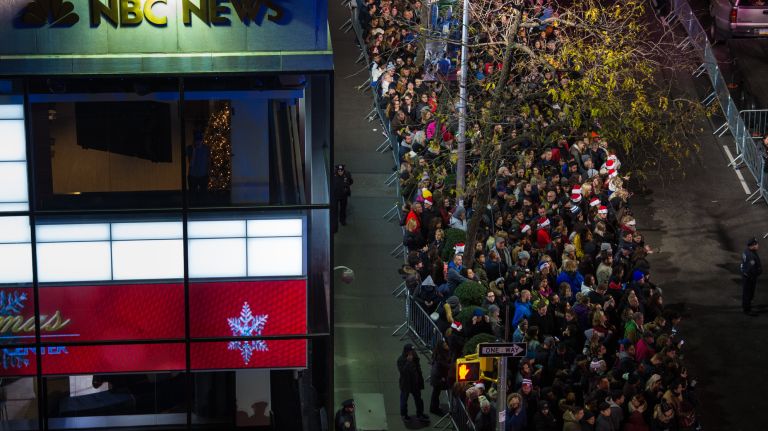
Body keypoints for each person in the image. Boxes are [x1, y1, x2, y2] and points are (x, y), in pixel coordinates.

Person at [397, 344, 429, 423]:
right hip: (406, 384)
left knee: (419, 400)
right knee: (404, 401)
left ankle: (420, 414)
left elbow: (418, 368)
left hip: (415, 383)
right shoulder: (401, 359)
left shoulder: (415, 357)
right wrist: (408, 362)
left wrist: (420, 379)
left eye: (413, 350)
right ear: (406, 351)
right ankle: (404, 415)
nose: (413, 352)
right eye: (411, 350)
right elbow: (403, 372)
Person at [740, 237, 761, 315]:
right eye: (756, 244)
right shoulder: (751, 256)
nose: (758, 245)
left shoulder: (747, 251)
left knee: (747, 293)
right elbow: (750, 269)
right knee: (748, 293)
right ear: (752, 245)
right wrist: (755, 274)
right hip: (749, 278)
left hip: (746, 276)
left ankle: (746, 306)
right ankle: (747, 310)